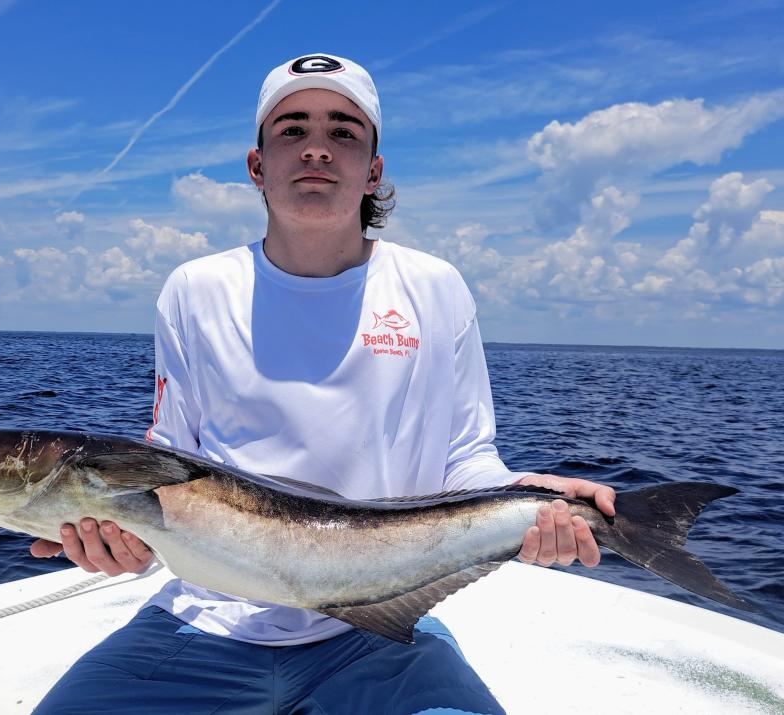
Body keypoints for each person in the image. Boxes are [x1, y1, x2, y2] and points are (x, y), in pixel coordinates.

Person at [31, 53, 616, 714]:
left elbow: (466, 460)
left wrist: (533, 498)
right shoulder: (194, 291)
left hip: (377, 625)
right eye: (291, 130)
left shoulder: (435, 287)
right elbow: (167, 474)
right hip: (206, 621)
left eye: (343, 131)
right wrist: (121, 544)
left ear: (373, 170)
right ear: (257, 165)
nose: (316, 149)